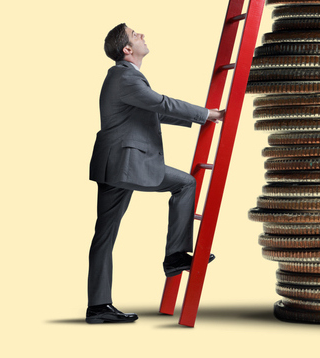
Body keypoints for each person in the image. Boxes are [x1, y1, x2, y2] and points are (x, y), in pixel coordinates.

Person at [86, 23, 224, 324]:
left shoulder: (122, 78)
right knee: (186, 183)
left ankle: (98, 307)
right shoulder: (125, 77)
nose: (142, 36)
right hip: (126, 165)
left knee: (104, 236)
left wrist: (198, 119)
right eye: (136, 35)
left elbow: (155, 112)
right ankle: (175, 256)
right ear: (127, 49)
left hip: (111, 164)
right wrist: (206, 115)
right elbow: (159, 103)